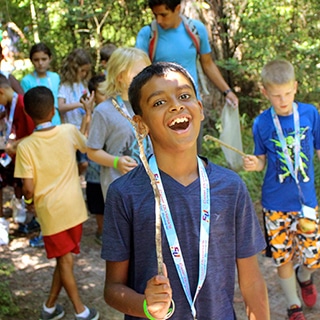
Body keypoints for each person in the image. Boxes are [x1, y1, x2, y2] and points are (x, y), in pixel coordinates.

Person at [102, 62, 269, 319]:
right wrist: (146, 305)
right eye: (159, 102)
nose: (176, 105)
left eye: (184, 96)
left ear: (200, 109)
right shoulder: (124, 193)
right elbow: (113, 288)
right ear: (140, 124)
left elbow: (252, 282)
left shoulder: (231, 187)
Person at [243, 59, 320, 320]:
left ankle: (305, 277)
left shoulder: (310, 114)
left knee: (311, 258)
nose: (283, 100)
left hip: (306, 203)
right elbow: (261, 158)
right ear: (265, 93)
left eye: (287, 93)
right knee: (282, 258)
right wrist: (255, 164)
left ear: (295, 87)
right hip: (275, 203)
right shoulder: (262, 123)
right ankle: (293, 305)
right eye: (276, 96)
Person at [14, 86, 99, 320]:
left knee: (65, 259)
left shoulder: (26, 147)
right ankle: (50, 307)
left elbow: (28, 187)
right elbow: (84, 143)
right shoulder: (68, 131)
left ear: (28, 114)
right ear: (53, 111)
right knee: (65, 259)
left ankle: (80, 312)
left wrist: (29, 202)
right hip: (74, 208)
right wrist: (88, 113)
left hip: (51, 212)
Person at [135, 0, 238, 106]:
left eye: (163, 15)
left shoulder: (196, 30)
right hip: (162, 105)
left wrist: (227, 92)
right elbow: (140, 73)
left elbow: (208, 64)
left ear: (178, 9)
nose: (159, 20)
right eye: (155, 15)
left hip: (191, 102)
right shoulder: (147, 34)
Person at [87, 47, 151, 199]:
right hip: (119, 192)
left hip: (150, 187)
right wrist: (116, 162)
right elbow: (92, 151)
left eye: (148, 72)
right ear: (120, 76)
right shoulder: (104, 111)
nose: (146, 79)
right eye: (139, 74)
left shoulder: (150, 106)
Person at [0, 74, 34, 245]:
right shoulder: (6, 106)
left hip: (25, 156)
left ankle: (29, 218)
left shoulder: (22, 104)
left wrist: (14, 144)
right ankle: (13, 221)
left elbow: (34, 135)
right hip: (13, 156)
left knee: (26, 187)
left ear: (1, 92)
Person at [58, 48, 92, 175]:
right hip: (70, 130)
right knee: (73, 161)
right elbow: (61, 106)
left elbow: (89, 106)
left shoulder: (84, 85)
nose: (84, 74)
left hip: (83, 130)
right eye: (82, 70)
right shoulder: (65, 86)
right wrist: (79, 104)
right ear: (74, 68)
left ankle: (75, 179)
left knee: (84, 162)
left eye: (86, 71)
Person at [85, 75, 107, 244]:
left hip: (111, 167)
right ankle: (101, 230)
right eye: (101, 93)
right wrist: (88, 111)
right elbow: (85, 139)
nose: (106, 95)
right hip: (95, 169)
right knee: (97, 200)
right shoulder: (92, 114)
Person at [21, 42, 61, 125]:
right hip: (37, 123)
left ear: (50, 59)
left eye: (44, 59)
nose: (40, 63)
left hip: (56, 121)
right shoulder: (26, 81)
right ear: (31, 61)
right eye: (36, 60)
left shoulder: (55, 77)